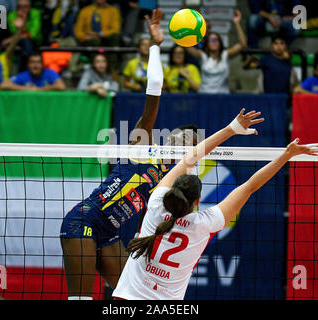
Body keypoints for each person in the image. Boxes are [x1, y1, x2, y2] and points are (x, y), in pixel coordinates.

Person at [60, 9, 198, 300]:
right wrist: (156, 46)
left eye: (189, 145)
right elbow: (153, 93)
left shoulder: (168, 185)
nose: (181, 142)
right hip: (83, 222)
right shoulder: (142, 148)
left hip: (110, 234)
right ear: (169, 136)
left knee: (134, 296)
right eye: (180, 136)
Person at [112, 121, 318, 300]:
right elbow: (250, 185)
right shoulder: (205, 223)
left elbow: (190, 158)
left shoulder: (156, 203)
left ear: (172, 191)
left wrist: (232, 128)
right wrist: (286, 155)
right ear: (197, 201)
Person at [186, 10, 246, 94]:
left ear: (220, 42)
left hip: (222, 96)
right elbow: (186, 46)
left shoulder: (226, 55)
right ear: (207, 43)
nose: (214, 42)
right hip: (204, 95)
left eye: (216, 39)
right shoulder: (202, 55)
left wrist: (236, 23)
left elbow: (242, 44)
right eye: (211, 40)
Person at [73, 0, 122, 68]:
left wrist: (100, 34)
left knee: (115, 37)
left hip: (106, 40)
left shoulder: (113, 10)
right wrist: (89, 37)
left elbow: (116, 29)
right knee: (94, 42)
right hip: (89, 40)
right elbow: (78, 31)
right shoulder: (85, 11)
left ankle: (112, 68)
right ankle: (95, 68)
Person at [4, 0, 42, 71]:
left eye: (25, 6)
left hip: (35, 43)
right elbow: (14, 32)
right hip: (17, 42)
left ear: (30, 7)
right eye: (19, 7)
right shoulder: (12, 15)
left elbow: (32, 34)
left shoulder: (36, 13)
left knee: (27, 42)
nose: (22, 9)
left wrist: (24, 21)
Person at [0, 52, 66, 91]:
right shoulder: (24, 75)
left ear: (43, 65)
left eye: (38, 62)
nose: (35, 65)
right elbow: (4, 85)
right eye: (32, 62)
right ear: (28, 65)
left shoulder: (50, 73)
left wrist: (40, 90)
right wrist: (27, 89)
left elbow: (61, 86)